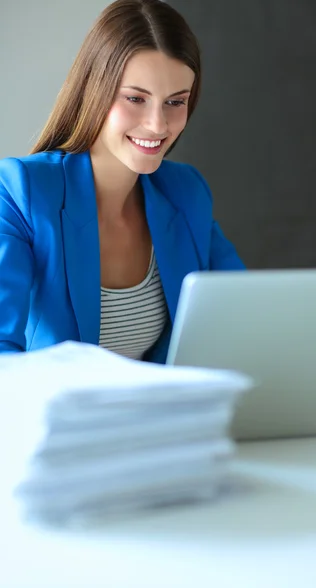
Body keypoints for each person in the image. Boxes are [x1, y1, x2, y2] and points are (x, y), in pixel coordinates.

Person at [0, 0, 244, 364]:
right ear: (93, 90)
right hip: (60, 416)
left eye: (175, 102)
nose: (158, 125)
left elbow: (246, 314)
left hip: (165, 414)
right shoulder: (22, 191)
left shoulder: (186, 191)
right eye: (135, 98)